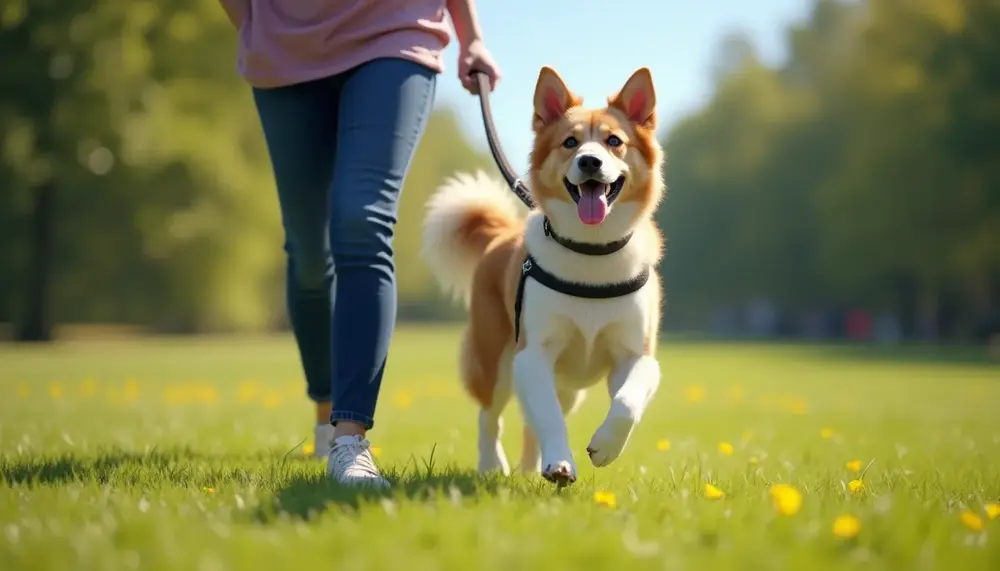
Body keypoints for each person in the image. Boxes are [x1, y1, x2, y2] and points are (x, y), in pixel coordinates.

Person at [218, 0, 502, 487]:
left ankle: (349, 440)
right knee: (309, 255)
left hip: (393, 32)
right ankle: (326, 413)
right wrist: (254, 24)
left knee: (361, 219)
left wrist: (470, 34)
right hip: (284, 51)